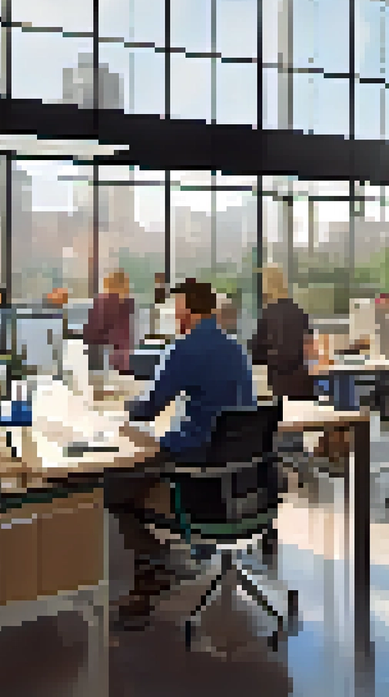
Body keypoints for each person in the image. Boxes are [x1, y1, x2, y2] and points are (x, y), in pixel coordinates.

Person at [110, 278, 255, 626]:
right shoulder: (235, 348)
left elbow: (149, 408)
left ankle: (151, 569)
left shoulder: (184, 348)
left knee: (113, 489)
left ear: (187, 310)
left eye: (177, 308)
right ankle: (162, 559)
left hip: (198, 463)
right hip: (240, 473)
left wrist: (120, 409)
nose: (175, 315)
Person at [249, 265, 316, 400]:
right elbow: (309, 345)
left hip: (280, 380)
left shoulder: (268, 313)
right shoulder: (299, 311)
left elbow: (257, 351)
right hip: (302, 379)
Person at [84, 270, 136, 373]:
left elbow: (92, 333)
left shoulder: (102, 303)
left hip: (104, 355)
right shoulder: (128, 304)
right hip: (123, 356)